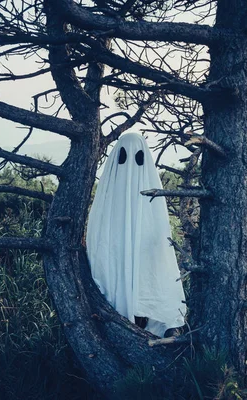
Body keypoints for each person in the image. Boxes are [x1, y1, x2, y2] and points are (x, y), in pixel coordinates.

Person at [86, 133, 186, 337]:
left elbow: (157, 227)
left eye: (138, 158)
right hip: (116, 249)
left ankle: (145, 321)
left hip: (142, 249)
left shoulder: (146, 188)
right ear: (116, 158)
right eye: (123, 157)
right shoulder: (110, 190)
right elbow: (99, 230)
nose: (130, 166)